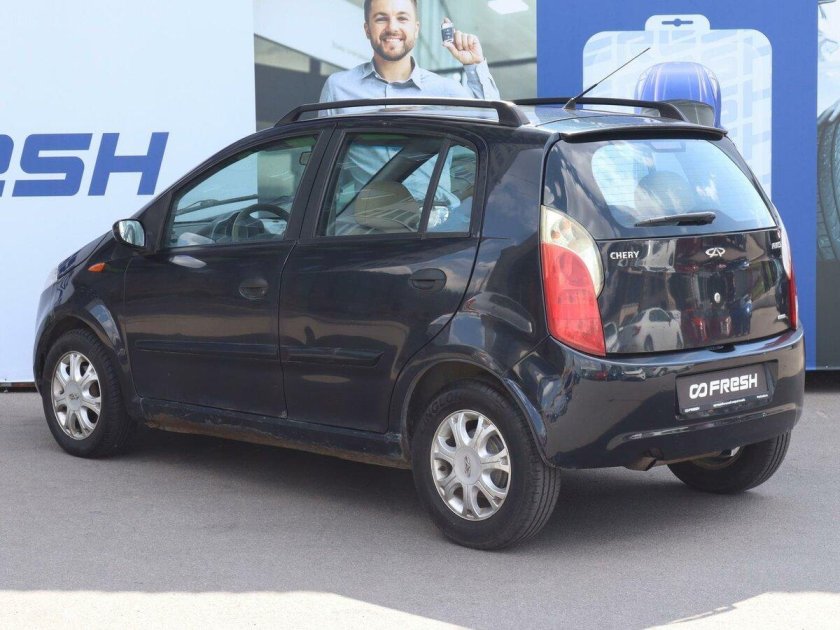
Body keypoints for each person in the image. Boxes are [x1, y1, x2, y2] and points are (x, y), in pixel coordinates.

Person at [319, 0, 500, 113]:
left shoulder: (446, 91)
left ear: (416, 29)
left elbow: (493, 125)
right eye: (381, 18)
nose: (392, 28)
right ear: (367, 29)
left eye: (402, 18)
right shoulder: (338, 87)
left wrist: (475, 65)